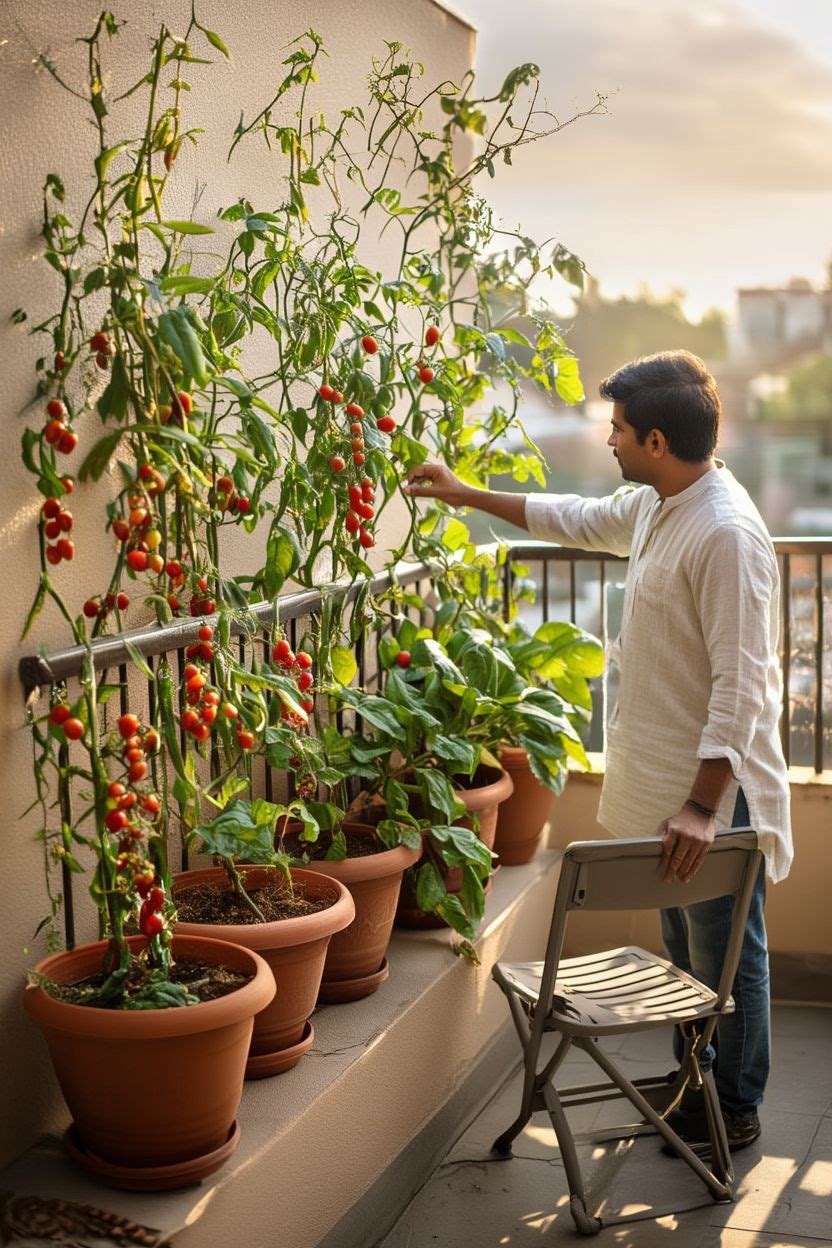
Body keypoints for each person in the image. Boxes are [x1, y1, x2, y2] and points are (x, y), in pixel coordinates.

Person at [404, 350, 792, 1152]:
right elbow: (576, 518)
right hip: (669, 783)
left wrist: (699, 807)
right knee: (688, 946)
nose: (606, 442)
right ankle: (695, 1084)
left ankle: (735, 1102)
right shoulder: (661, 503)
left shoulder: (725, 534)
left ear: (655, 440)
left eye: (616, 430)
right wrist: (464, 493)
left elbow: (742, 685)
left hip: (711, 793)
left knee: (725, 954)